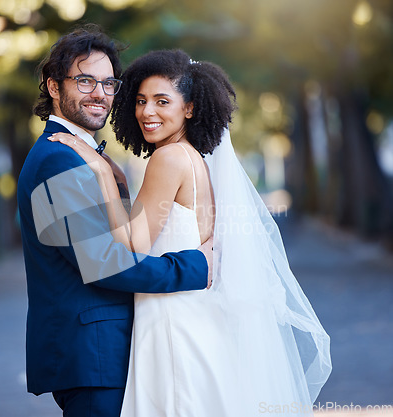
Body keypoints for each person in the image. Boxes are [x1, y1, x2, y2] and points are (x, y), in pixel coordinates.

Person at [52, 49, 331, 416]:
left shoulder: (168, 159)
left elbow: (134, 244)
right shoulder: (192, 157)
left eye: (161, 101)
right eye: (140, 101)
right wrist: (118, 181)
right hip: (194, 314)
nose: (147, 112)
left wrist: (102, 175)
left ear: (189, 108)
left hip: (171, 320)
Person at [17, 26, 214, 417]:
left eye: (109, 83)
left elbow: (118, 236)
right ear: (54, 87)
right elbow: (104, 263)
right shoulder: (58, 159)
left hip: (109, 352)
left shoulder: (84, 157)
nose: (100, 93)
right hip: (93, 357)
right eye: (85, 80)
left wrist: (111, 178)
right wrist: (196, 267)